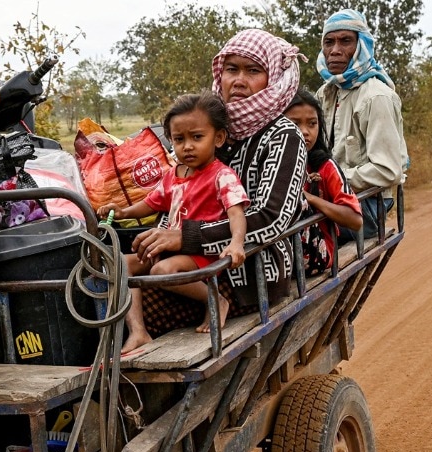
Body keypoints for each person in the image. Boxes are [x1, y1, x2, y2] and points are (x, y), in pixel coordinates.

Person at [128, 29, 307, 336]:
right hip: (189, 258)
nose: (238, 80)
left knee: (147, 300)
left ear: (273, 79)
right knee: (109, 279)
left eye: (253, 71)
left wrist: (185, 237)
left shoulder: (284, 137)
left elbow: (272, 218)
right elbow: (175, 192)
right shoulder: (209, 126)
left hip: (248, 270)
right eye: (231, 69)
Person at [98, 92, 250, 352]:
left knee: (161, 271)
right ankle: (138, 331)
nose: (187, 146)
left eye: (197, 137)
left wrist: (236, 243)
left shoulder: (222, 176)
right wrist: (123, 213)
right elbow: (152, 202)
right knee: (120, 263)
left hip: (200, 252)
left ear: (219, 138)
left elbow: (236, 213)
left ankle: (216, 298)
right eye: (179, 139)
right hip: (171, 249)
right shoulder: (173, 174)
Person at [315, 9, 408, 243]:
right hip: (333, 199)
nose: (335, 50)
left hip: (366, 204)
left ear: (361, 46)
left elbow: (387, 169)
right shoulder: (325, 93)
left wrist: (331, 181)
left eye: (345, 41)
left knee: (300, 236)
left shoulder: (376, 97)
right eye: (329, 42)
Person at [283, 90, 362, 276]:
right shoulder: (270, 165)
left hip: (317, 255)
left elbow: (355, 219)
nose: (305, 132)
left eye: (312, 124)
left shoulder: (325, 166)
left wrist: (310, 199)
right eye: (294, 124)